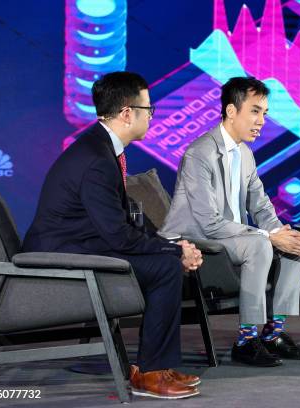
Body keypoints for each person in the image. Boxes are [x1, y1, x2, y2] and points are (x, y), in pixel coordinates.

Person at [23, 71, 203, 399]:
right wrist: (174, 254)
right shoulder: (96, 159)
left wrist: (171, 245)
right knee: (165, 269)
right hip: (62, 255)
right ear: (126, 113)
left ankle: (154, 367)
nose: (151, 116)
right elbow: (119, 237)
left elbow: (124, 223)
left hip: (83, 244)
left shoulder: (103, 148)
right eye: (148, 109)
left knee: (165, 260)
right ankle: (149, 374)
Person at [159, 76, 300, 366]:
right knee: (260, 246)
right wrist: (267, 237)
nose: (261, 121)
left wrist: (279, 232)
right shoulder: (200, 153)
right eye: (255, 111)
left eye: (264, 113)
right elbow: (208, 222)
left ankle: (274, 333)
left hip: (231, 236)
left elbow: (260, 203)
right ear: (231, 111)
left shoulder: (245, 153)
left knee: (294, 245)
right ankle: (246, 340)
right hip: (196, 241)